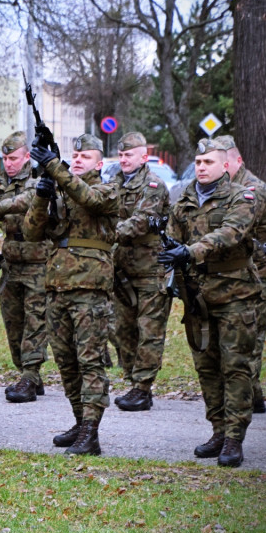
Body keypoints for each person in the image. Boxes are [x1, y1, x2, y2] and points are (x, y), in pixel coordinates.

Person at [160, 138, 260, 467]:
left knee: (235, 367)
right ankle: (218, 430)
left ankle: (234, 438)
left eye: (209, 163)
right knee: (207, 368)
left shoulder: (242, 196)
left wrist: (190, 251)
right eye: (198, 162)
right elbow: (173, 238)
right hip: (198, 295)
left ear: (225, 165)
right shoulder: (184, 198)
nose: (201, 168)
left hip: (235, 293)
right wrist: (170, 258)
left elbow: (231, 233)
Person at [24, 133, 118, 456]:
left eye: (85, 157)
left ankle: (91, 432)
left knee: (90, 360)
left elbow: (89, 198)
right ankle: (80, 421)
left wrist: (54, 165)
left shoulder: (108, 189)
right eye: (75, 156)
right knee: (66, 362)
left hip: (90, 289)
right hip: (57, 287)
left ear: (99, 162)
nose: (78, 160)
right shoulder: (61, 193)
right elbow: (31, 232)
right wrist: (42, 194)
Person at [218, 135, 266, 414]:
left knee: (250, 341)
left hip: (261, 273)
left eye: (224, 163)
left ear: (237, 161)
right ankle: (252, 399)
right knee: (242, 341)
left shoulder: (252, 190)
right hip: (242, 273)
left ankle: (243, 403)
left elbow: (234, 232)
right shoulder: (228, 187)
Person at [112, 132, 171, 412]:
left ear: (143, 157)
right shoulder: (114, 183)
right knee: (122, 327)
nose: (123, 159)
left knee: (149, 329)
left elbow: (138, 223)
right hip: (122, 268)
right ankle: (130, 380)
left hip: (151, 268)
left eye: (129, 155)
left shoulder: (154, 185)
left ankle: (143, 388)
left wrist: (103, 235)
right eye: (121, 155)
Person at [0, 131, 52, 403]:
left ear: (27, 157)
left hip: (37, 261)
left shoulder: (38, 180)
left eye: (14, 158)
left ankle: (30, 376)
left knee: (36, 322)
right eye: (5, 158)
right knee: (13, 323)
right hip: (11, 264)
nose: (8, 163)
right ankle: (28, 375)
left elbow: (25, 201)